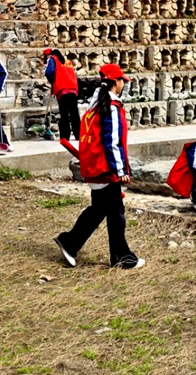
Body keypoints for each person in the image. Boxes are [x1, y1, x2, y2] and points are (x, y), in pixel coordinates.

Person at [54, 64, 145, 270]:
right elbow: (113, 142)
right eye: (122, 81)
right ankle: (121, 256)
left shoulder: (94, 107)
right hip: (105, 169)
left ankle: (70, 242)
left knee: (99, 210)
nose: (123, 85)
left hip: (94, 167)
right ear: (116, 82)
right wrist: (121, 171)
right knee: (116, 213)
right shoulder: (111, 107)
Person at [43, 48, 80, 141]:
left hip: (62, 90)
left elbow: (48, 72)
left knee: (64, 114)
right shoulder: (68, 62)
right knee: (74, 114)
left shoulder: (52, 59)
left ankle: (65, 136)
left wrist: (52, 80)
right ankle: (78, 135)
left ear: (49, 55)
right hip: (73, 89)